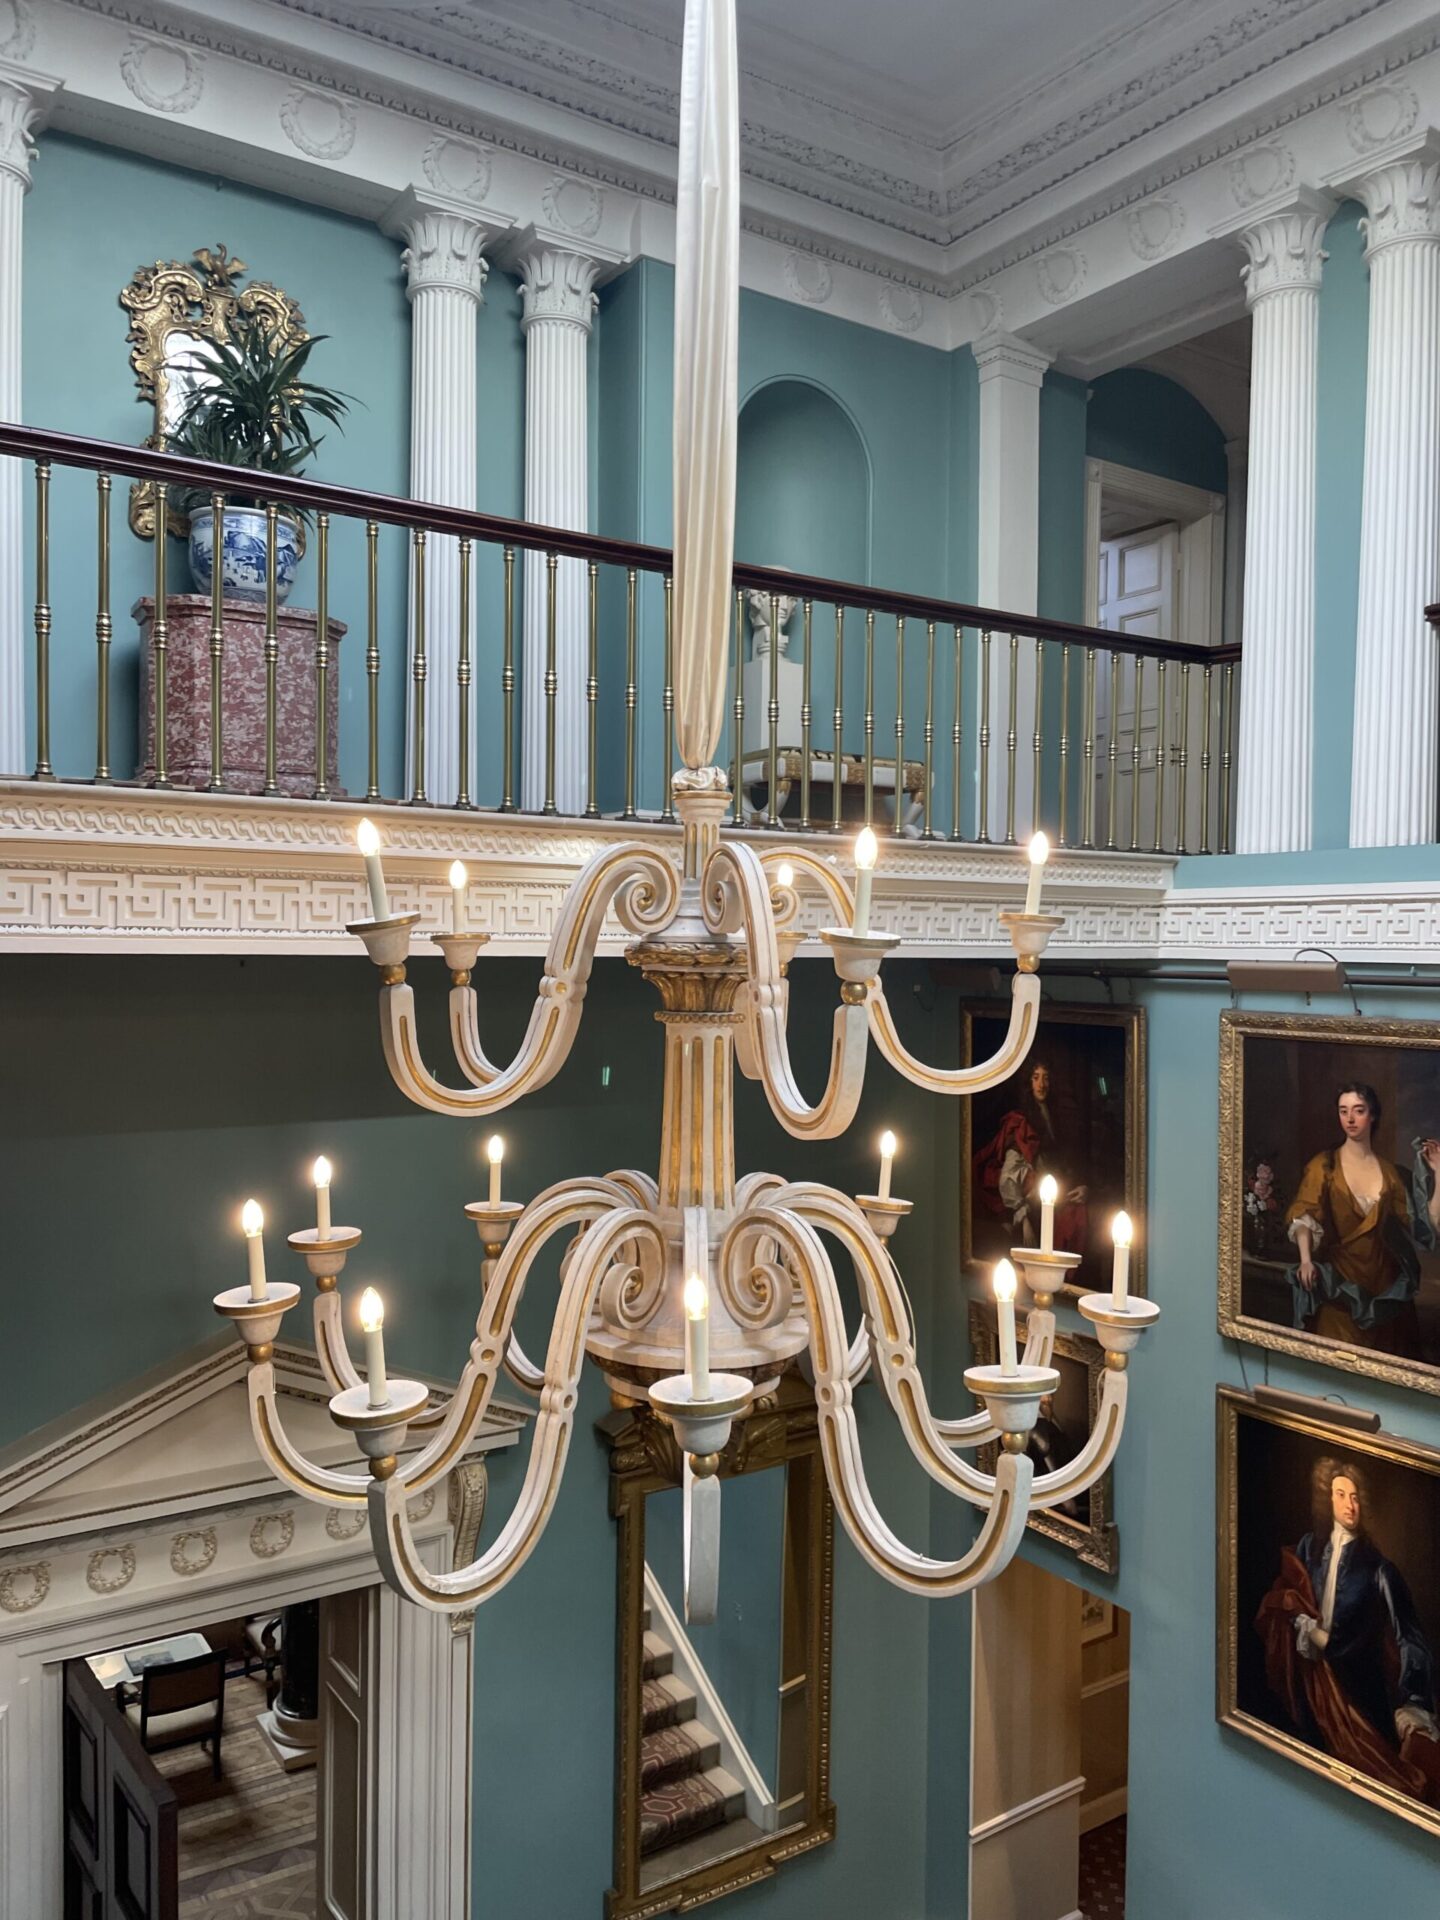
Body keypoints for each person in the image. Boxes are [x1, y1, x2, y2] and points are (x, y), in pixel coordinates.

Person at [1255, 1457, 1440, 1806]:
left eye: (1354, 1497)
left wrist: (1415, 1702)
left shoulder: (1379, 1569)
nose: (1349, 1504)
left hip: (1359, 1695)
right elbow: (1292, 1594)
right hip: (1312, 1689)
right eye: (1341, 1495)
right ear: (1329, 1499)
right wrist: (1300, 1623)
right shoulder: (1311, 1548)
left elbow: (1410, 1638)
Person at [1284, 1082, 1440, 1359]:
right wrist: (1306, 1260)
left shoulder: (1389, 1173)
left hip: (1384, 1286)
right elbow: (1305, 1213)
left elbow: (1424, 1226)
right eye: (1344, 1111)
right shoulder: (1324, 1165)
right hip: (1341, 1285)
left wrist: (1438, 1174)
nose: (1350, 1119)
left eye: (1358, 1110)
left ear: (1373, 1115)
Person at [973, 1060, 1088, 1253]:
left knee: (1080, 1214)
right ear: (1029, 1082)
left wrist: (1083, 1187)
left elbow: (1061, 1164)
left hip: (1055, 1194)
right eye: (1036, 1078)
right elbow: (1008, 1178)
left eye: (1046, 1078)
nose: (1041, 1084)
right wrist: (1023, 1219)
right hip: (1031, 1205)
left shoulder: (1056, 1118)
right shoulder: (1021, 1123)